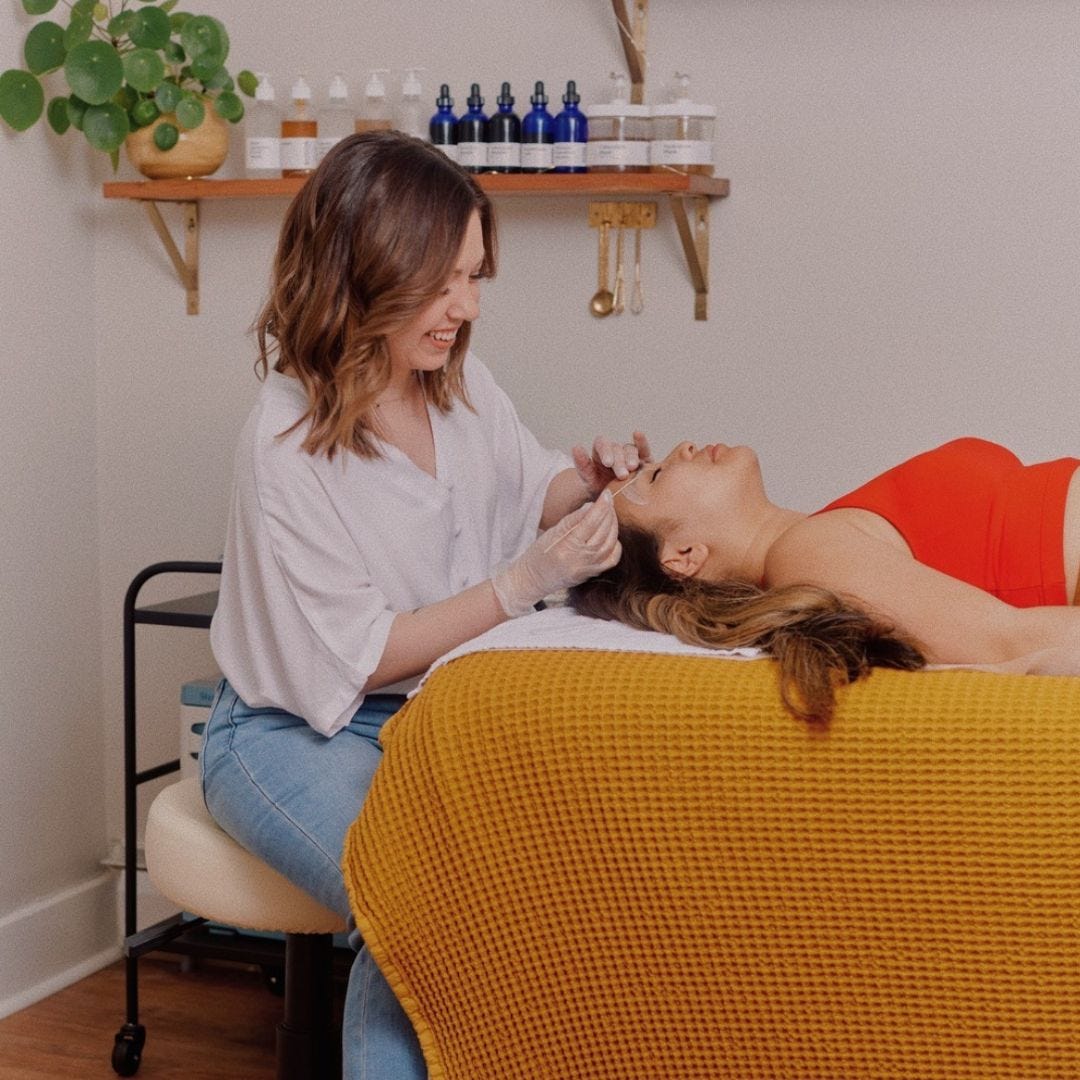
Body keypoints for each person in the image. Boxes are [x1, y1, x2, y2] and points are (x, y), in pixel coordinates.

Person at [200, 130, 651, 1078]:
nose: (466, 307)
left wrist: (587, 484)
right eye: (446, 281)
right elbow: (361, 659)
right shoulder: (283, 444)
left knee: (535, 897)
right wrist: (521, 582)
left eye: (477, 276)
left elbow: (526, 486)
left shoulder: (460, 385)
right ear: (367, 269)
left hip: (440, 716)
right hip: (294, 733)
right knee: (425, 905)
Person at [570, 436, 1080, 723]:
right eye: (657, 476)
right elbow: (1012, 643)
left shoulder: (821, 534)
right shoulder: (806, 557)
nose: (681, 447)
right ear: (682, 555)